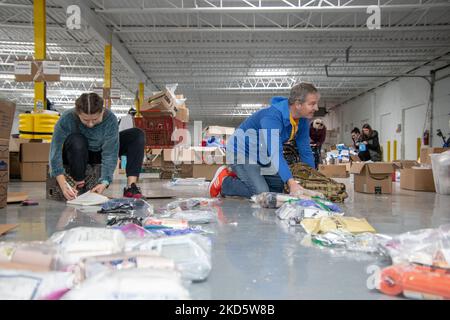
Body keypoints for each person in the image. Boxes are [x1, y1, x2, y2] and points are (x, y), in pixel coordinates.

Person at [209, 82, 318, 198]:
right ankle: (225, 182)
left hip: (261, 155)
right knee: (262, 193)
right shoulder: (272, 117)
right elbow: (275, 152)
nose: (316, 108)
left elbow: (305, 150)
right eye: (312, 104)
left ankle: (247, 177)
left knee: (280, 187)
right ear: (298, 104)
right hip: (241, 152)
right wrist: (291, 183)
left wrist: (313, 178)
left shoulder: (302, 121)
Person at [49, 92, 146, 201]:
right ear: (78, 113)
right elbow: (55, 151)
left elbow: (110, 153)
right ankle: (79, 183)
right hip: (76, 153)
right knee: (77, 140)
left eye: (95, 120)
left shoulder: (110, 118)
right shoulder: (67, 118)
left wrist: (105, 181)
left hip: (98, 152)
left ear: (102, 112)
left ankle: (131, 187)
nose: (90, 124)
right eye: (85, 120)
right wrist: (63, 184)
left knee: (137, 135)